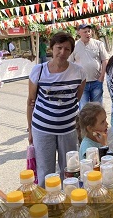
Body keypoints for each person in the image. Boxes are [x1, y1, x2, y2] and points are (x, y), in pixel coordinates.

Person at [27, 31, 86, 187]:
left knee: (69, 169)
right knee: (45, 170)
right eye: (59, 47)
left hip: (68, 129)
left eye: (67, 49)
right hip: (42, 128)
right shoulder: (38, 71)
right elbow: (31, 101)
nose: (62, 52)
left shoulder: (79, 72)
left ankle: (68, 202)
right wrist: (30, 130)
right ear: (51, 48)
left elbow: (76, 99)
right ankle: (47, 206)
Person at [69, 24, 109, 109]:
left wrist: (102, 77)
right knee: (83, 108)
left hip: (96, 82)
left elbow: (105, 60)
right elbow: (69, 63)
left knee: (97, 108)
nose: (88, 33)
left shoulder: (98, 44)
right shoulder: (74, 46)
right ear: (79, 32)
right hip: (81, 83)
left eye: (89, 31)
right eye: (85, 32)